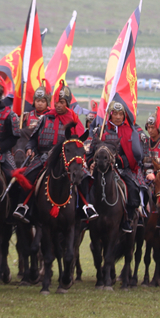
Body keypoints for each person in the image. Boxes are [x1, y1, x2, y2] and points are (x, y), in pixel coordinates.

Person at [16, 83, 92, 223]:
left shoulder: (74, 121)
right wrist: (29, 149)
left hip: (66, 159)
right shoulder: (45, 118)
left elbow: (78, 143)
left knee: (85, 177)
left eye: (61, 102)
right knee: (28, 176)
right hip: (42, 156)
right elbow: (32, 140)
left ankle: (85, 207)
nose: (58, 105)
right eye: (56, 102)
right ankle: (24, 207)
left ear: (67, 103)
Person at [88, 102, 145, 233]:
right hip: (100, 169)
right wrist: (92, 162)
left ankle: (128, 218)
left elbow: (134, 154)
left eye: (121, 114)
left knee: (132, 188)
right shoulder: (100, 131)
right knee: (86, 184)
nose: (118, 117)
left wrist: (119, 162)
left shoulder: (131, 132)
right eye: (115, 114)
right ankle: (85, 214)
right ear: (110, 115)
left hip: (122, 169)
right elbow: (91, 152)